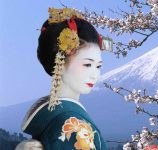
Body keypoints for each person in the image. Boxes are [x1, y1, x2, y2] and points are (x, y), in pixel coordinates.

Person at [16, 8, 112, 150]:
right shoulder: (75, 127)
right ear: (60, 63)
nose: (95, 74)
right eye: (87, 64)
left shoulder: (52, 116)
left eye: (98, 66)